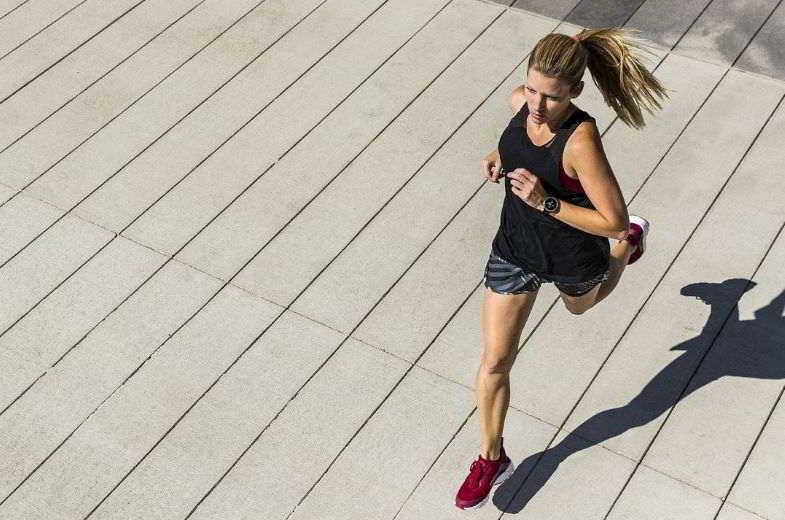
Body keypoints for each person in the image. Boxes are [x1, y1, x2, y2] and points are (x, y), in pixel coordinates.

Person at [455, 28, 667, 510]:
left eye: (551, 96)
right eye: (531, 89)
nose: (536, 105)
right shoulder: (520, 104)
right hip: (514, 250)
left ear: (574, 91)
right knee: (494, 362)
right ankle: (491, 458)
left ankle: (632, 247)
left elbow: (610, 219)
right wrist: (497, 156)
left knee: (581, 307)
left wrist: (545, 201)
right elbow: (515, 141)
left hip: (574, 253)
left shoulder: (580, 139)